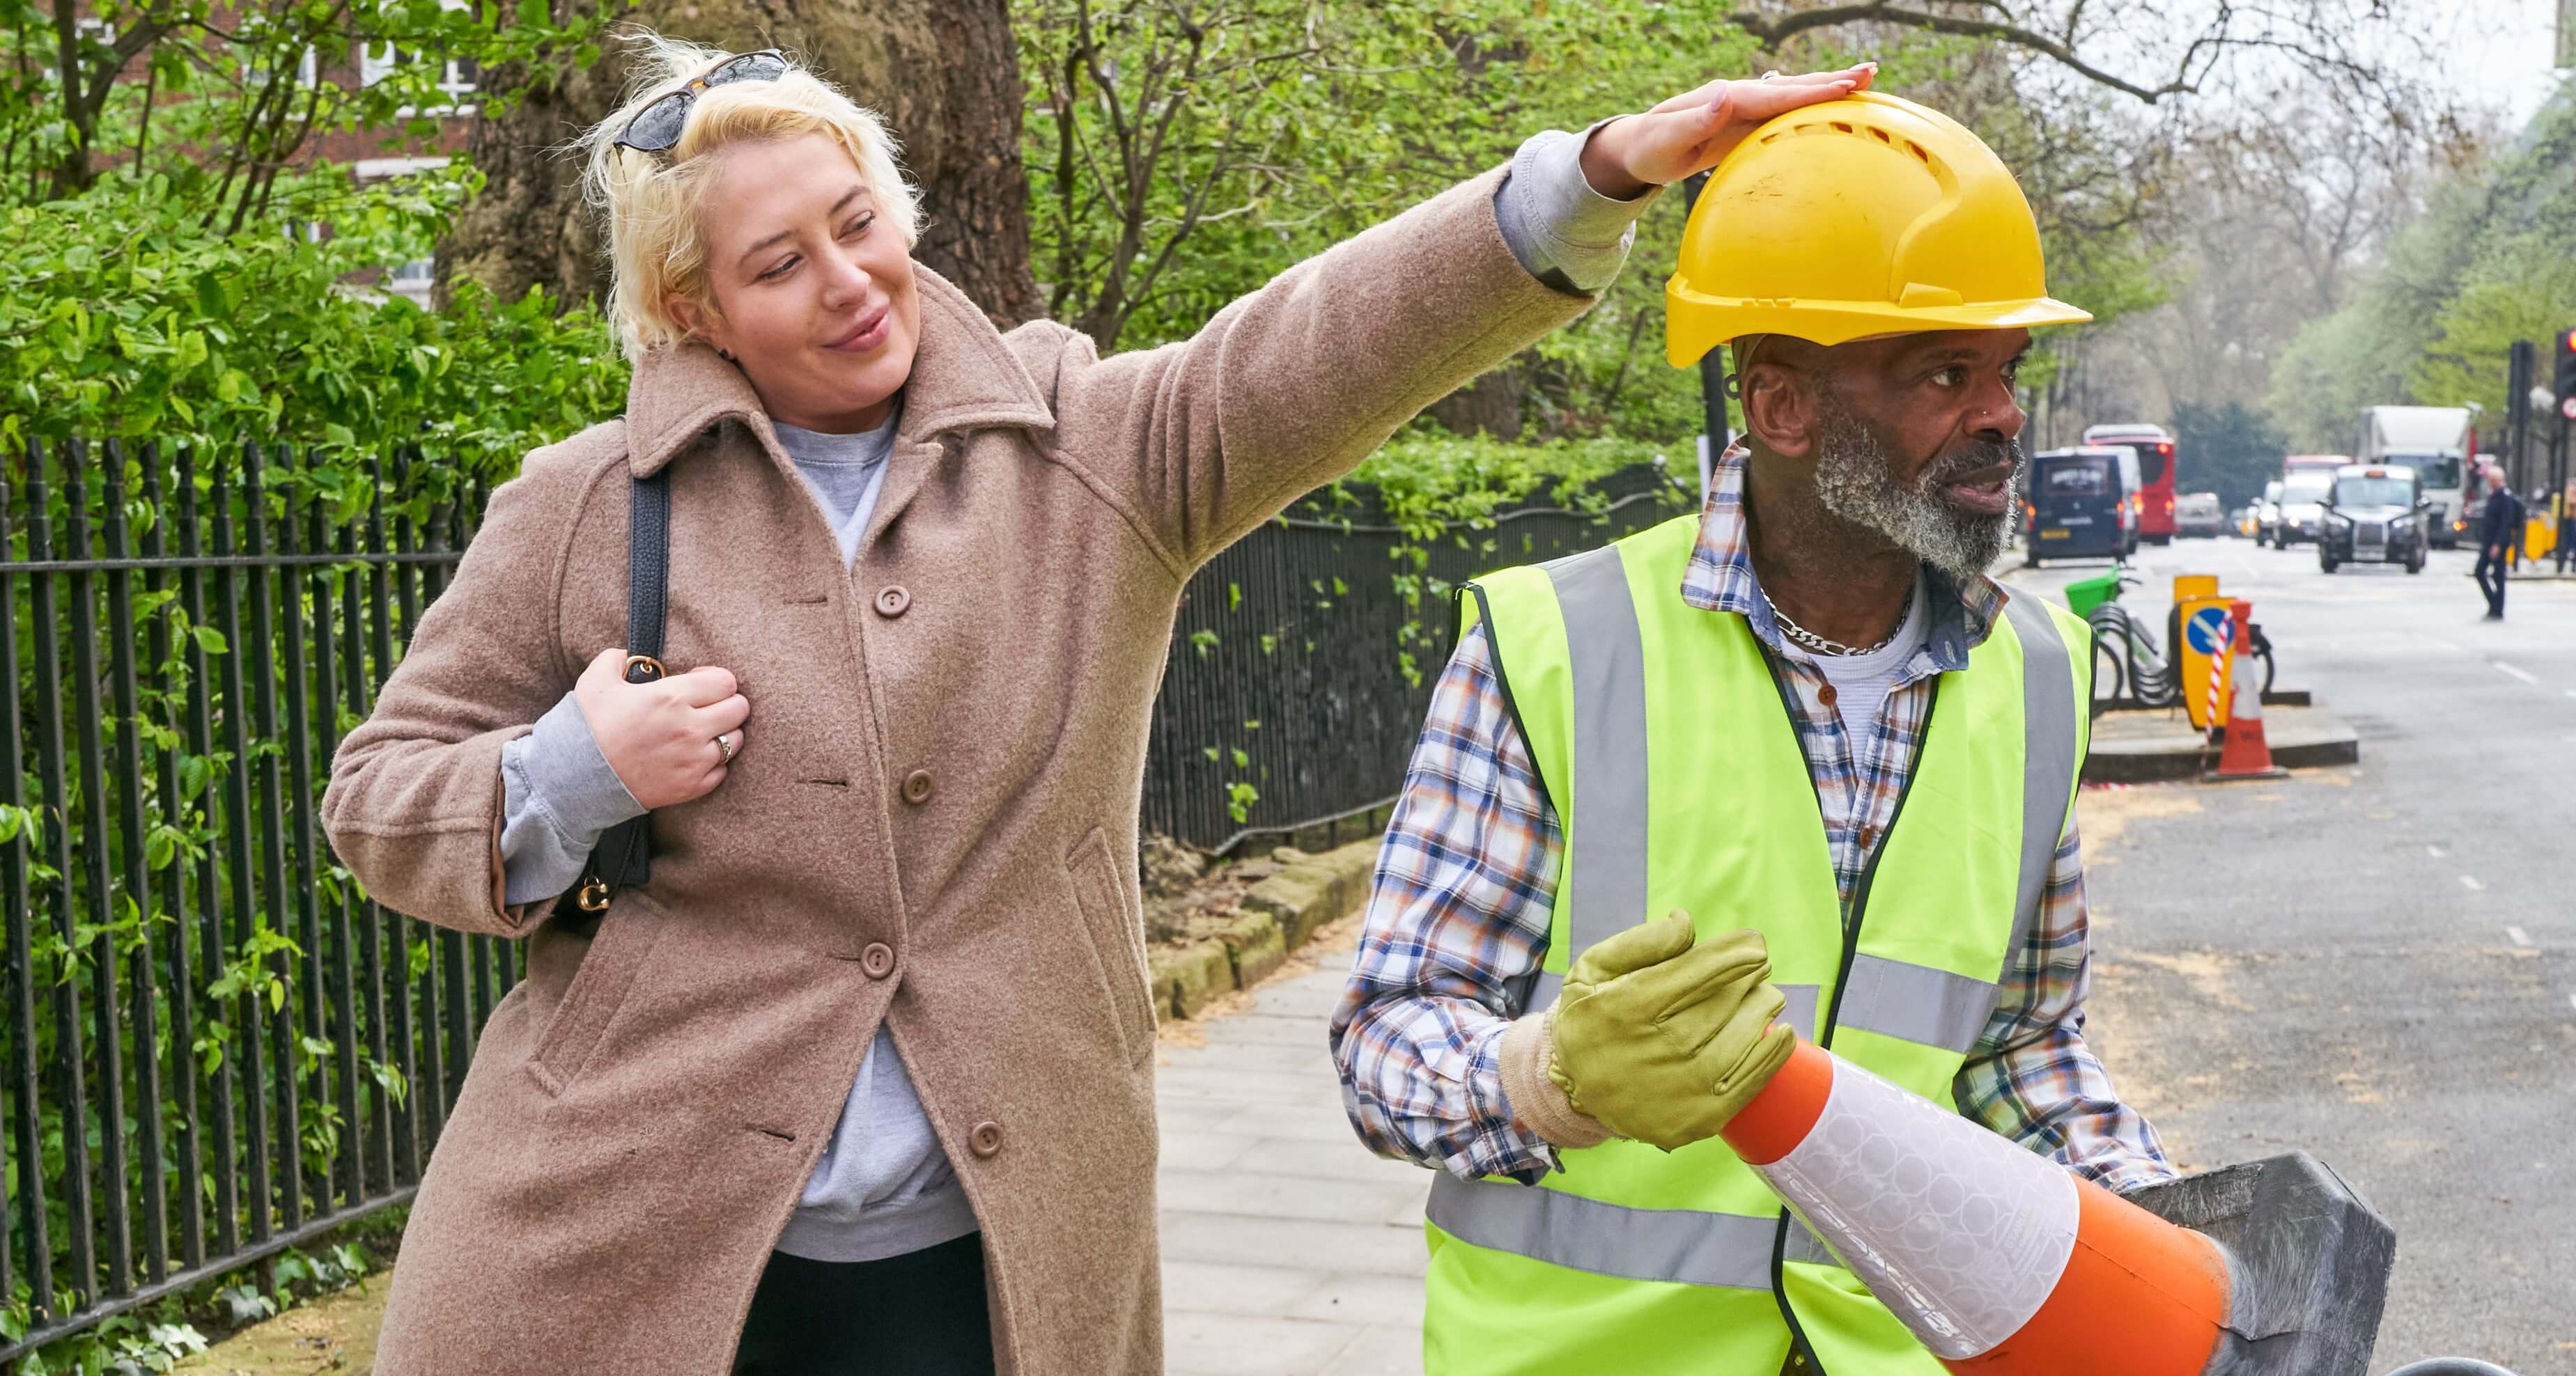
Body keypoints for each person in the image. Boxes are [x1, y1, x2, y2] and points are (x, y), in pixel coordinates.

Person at [320, 33, 1875, 1375]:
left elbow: (1317, 347)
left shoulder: (1087, 450)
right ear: (697, 310)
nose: (848, 281)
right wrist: (568, 767)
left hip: (988, 1265)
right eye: (776, 264)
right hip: (625, 1252)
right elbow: (377, 797)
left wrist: (1588, 177)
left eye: (857, 225)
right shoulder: (587, 507)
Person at [1330, 91, 2175, 1375]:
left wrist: (2169, 1242)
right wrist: (1544, 1075)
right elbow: (1386, 1038)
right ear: (1780, 408)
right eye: (1945, 372)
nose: (2002, 414)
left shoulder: (2041, 672)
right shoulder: (1554, 649)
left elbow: (2018, 1043)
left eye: (2006, 369)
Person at [2476, 470, 2522, 618]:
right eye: (2490, 480)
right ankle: (2494, 604)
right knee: (2481, 572)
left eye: (2493, 480)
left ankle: (2498, 608)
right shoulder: (2494, 496)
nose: (2491, 483)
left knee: (2498, 575)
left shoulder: (2505, 497)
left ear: (2500, 480)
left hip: (2498, 542)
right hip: (2489, 541)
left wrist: (2497, 544)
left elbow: (2506, 523)